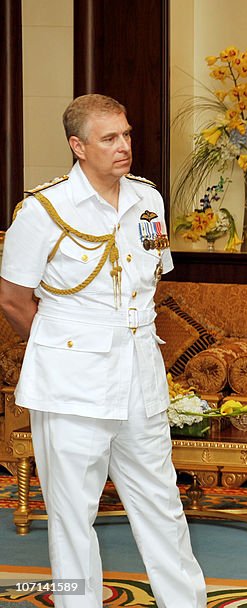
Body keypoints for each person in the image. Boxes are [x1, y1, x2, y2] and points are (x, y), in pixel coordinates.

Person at [0, 95, 206, 607]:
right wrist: (64, 350)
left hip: (141, 375)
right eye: (109, 138)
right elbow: (13, 299)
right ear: (77, 146)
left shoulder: (147, 200)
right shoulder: (44, 210)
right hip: (71, 384)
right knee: (73, 516)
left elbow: (152, 279)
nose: (124, 147)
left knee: (162, 505)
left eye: (127, 135)